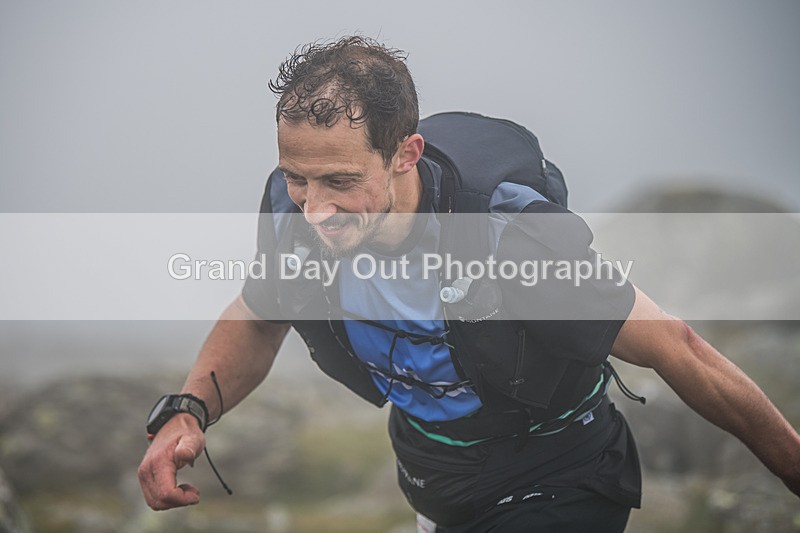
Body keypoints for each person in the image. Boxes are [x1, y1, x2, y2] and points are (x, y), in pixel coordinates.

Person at [138, 36, 800, 531]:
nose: (314, 208)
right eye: (296, 177)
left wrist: (791, 464)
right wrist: (190, 411)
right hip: (438, 483)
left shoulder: (508, 236)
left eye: (341, 181)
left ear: (406, 154)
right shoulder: (297, 219)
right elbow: (259, 314)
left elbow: (675, 346)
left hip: (559, 474)